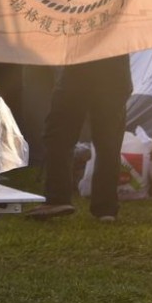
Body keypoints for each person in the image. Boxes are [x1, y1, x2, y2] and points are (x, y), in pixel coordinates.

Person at [27, 55, 132, 222]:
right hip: (115, 69)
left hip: (80, 66)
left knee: (59, 134)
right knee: (108, 141)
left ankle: (57, 198)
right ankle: (106, 208)